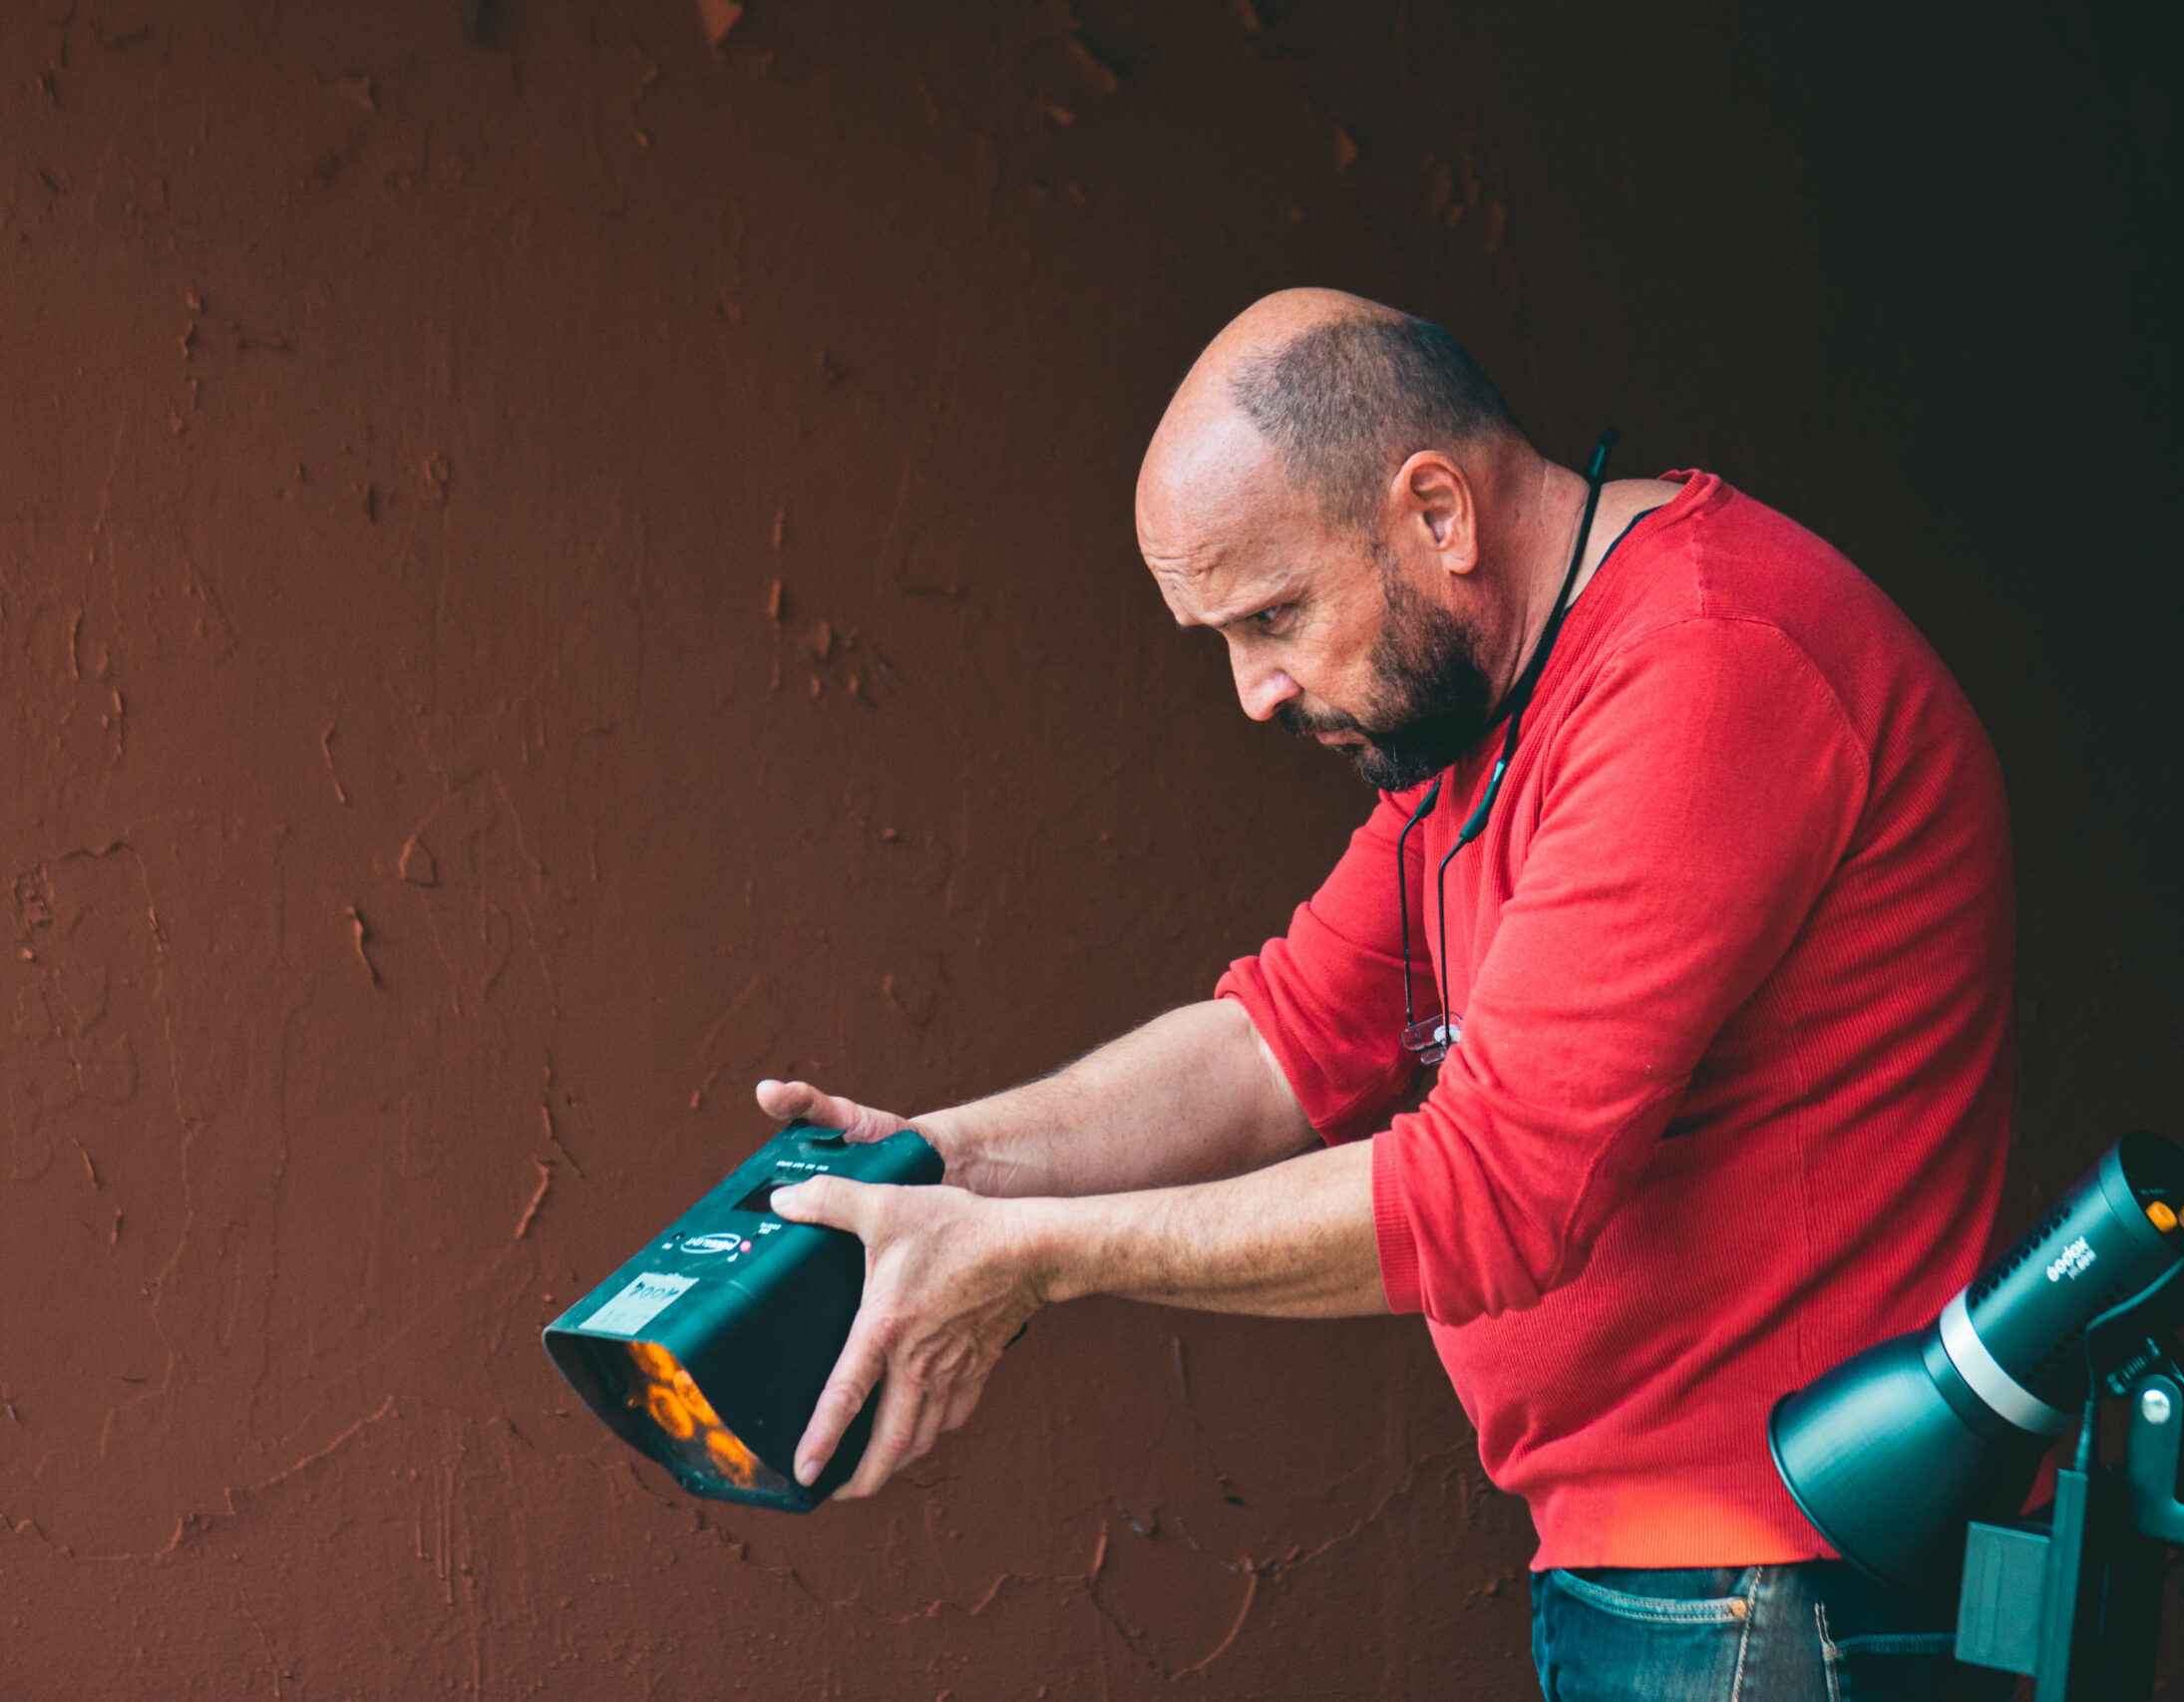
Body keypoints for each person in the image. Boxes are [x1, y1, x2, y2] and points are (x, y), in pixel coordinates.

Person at [757, 287, 2015, 1701]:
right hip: (1670, 1577)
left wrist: (1036, 1256)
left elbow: (1491, 1192)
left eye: (1275, 614)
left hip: (1785, 1591)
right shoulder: (1486, 707)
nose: (1254, 691)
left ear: (1437, 513)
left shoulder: (1708, 669)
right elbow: (1276, 1041)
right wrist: (947, 1161)